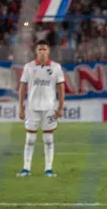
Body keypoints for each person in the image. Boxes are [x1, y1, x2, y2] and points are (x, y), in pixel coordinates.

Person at [17, 40, 65, 177]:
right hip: (32, 108)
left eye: (44, 49)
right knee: (30, 139)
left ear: (48, 51)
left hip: (49, 108)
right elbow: (22, 88)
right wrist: (20, 107)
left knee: (48, 139)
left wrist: (60, 107)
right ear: (36, 51)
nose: (42, 52)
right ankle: (26, 169)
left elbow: (61, 89)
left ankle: (48, 169)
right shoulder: (29, 67)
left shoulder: (56, 67)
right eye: (40, 49)